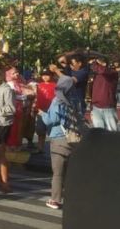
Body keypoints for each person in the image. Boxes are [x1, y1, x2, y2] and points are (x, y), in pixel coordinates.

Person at [38, 73, 78, 210]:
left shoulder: (58, 101)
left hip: (58, 138)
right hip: (73, 138)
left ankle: (55, 200)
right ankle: (73, 197)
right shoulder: (75, 99)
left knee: (58, 173)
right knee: (70, 171)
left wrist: (42, 114)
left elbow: (51, 120)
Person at [89, 57, 119, 131]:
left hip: (108, 107)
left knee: (112, 132)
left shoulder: (112, 72)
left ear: (104, 64)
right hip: (96, 107)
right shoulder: (96, 75)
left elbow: (102, 70)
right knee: (99, 133)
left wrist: (94, 63)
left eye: (98, 63)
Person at [34, 69, 56, 154]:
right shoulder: (38, 85)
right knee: (40, 130)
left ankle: (54, 148)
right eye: (43, 75)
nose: (45, 77)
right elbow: (36, 97)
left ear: (51, 76)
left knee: (52, 130)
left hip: (51, 110)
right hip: (40, 110)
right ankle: (40, 148)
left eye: (47, 75)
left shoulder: (55, 85)